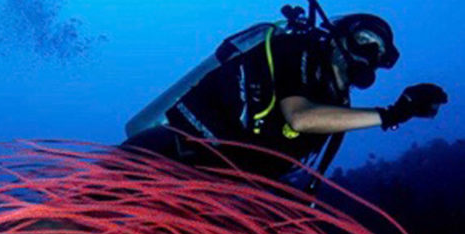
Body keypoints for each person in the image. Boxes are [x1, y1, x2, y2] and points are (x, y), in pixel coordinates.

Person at [122, 5, 448, 185]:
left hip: (205, 187)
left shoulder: (337, 109)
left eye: (378, 51)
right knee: (83, 219)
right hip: (172, 147)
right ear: (340, 37)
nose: (369, 52)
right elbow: (300, 117)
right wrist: (393, 113)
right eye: (364, 38)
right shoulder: (295, 49)